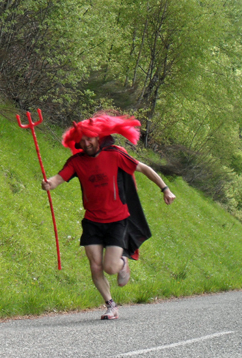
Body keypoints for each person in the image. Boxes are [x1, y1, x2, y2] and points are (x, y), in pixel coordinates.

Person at [42, 113, 175, 320]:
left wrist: (165, 189)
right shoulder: (76, 162)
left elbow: (144, 168)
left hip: (117, 220)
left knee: (110, 268)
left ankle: (123, 262)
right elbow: (59, 178)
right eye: (82, 140)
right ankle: (110, 305)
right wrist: (49, 183)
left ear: (98, 137)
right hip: (92, 221)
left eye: (89, 139)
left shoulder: (115, 154)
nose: (86, 143)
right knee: (95, 265)